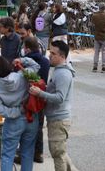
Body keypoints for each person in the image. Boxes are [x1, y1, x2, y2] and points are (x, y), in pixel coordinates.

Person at [29, 41, 76, 171]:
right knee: (60, 152)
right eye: (50, 52)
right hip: (57, 118)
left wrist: (40, 93)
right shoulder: (59, 71)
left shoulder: (63, 74)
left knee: (57, 154)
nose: (50, 56)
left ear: (62, 56)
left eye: (53, 53)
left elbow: (60, 98)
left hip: (58, 120)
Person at [0, 56, 40, 171]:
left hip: (13, 121)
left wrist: (16, 111)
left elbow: (0, 110)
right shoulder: (21, 75)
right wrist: (22, 60)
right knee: (27, 153)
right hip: (30, 117)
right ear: (8, 65)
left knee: (8, 155)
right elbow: (36, 66)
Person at [22, 36, 50, 164]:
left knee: (27, 126)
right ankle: (39, 153)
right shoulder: (45, 61)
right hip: (41, 97)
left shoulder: (28, 61)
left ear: (26, 48)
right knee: (39, 127)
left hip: (29, 97)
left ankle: (25, 152)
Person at [91, 2, 105, 72]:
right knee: (104, 52)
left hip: (97, 35)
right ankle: (104, 65)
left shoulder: (94, 16)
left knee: (96, 51)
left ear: (99, 7)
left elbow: (92, 25)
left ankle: (95, 66)